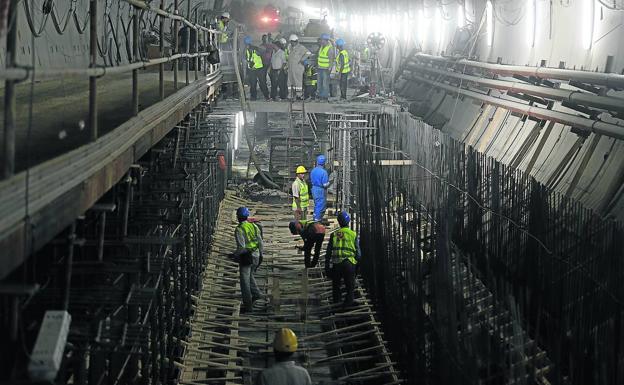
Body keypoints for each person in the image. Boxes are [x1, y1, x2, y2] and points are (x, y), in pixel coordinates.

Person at [325, 211, 361, 307]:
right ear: (348, 222)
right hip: (349, 264)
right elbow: (358, 254)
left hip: (337, 264)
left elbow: (328, 253)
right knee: (350, 286)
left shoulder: (334, 234)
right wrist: (356, 266)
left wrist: (327, 267)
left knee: (336, 285)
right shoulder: (353, 234)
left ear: (339, 222)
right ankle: (347, 305)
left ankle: (336, 304)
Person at [234, 207, 264, 313]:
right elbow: (260, 242)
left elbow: (242, 248)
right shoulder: (253, 226)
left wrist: (234, 255)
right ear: (247, 216)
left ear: (238, 217)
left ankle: (248, 306)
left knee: (244, 282)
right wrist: (261, 255)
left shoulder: (239, 229)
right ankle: (257, 294)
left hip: (247, 258)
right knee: (250, 276)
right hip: (256, 255)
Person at [244, 36, 270, 101]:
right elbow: (247, 59)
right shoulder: (246, 50)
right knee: (253, 84)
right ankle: (253, 97)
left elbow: (263, 51)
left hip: (259, 69)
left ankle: (267, 96)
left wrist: (259, 52)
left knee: (262, 83)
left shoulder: (255, 49)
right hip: (252, 69)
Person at [287, 34, 310, 100]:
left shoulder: (301, 47)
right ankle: (291, 94)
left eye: (292, 42)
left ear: (295, 41)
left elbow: (308, 53)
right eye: (291, 42)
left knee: (298, 82)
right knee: (290, 82)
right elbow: (289, 58)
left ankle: (299, 95)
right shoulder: (290, 47)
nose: (291, 43)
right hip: (291, 68)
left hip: (298, 68)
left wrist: (302, 59)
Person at [310, 155, 329, 221]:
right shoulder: (324, 172)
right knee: (320, 205)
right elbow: (325, 184)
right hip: (320, 190)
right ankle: (317, 221)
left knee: (316, 204)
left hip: (314, 189)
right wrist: (330, 182)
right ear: (324, 163)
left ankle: (315, 217)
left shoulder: (313, 171)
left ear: (317, 161)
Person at [316, 34, 335, 101]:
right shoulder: (322, 47)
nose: (321, 41)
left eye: (322, 40)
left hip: (325, 69)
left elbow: (331, 60)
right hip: (320, 68)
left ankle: (324, 97)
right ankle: (320, 96)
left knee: (325, 84)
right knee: (319, 83)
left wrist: (329, 69)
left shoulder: (329, 49)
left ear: (326, 40)